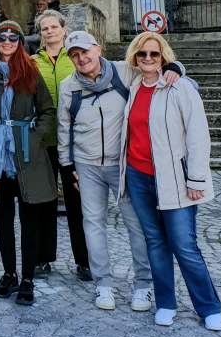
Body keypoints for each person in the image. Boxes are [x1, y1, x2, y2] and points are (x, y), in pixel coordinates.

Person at [57, 31, 183, 312]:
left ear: (97, 48)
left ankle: (142, 285)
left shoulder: (124, 72)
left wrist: (175, 68)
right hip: (86, 165)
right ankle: (103, 282)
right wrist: (67, 166)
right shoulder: (68, 86)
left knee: (136, 225)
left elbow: (157, 69)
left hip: (123, 165)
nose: (81, 58)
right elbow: (63, 127)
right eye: (74, 54)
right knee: (93, 224)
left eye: (85, 51)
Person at [120, 32, 221, 330]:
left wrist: (196, 178)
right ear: (135, 58)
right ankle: (166, 302)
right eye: (142, 55)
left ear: (163, 57)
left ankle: (208, 306)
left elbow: (198, 136)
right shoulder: (134, 84)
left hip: (175, 177)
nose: (148, 60)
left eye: (154, 55)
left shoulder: (180, 87)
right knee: (154, 242)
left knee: (184, 245)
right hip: (139, 176)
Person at [0, 22, 56, 306]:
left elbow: (47, 110)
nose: (7, 42)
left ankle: (28, 278)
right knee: (3, 219)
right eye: (2, 37)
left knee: (29, 219)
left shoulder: (31, 72)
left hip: (26, 154)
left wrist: (34, 136)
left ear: (20, 41)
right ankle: (9, 273)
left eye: (12, 37)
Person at [32, 9, 91, 281]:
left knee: (77, 202)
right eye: (44, 28)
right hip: (42, 143)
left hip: (74, 143)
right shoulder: (32, 62)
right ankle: (43, 258)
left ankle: (84, 260)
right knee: (43, 202)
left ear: (64, 30)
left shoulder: (78, 58)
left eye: (53, 27)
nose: (49, 31)